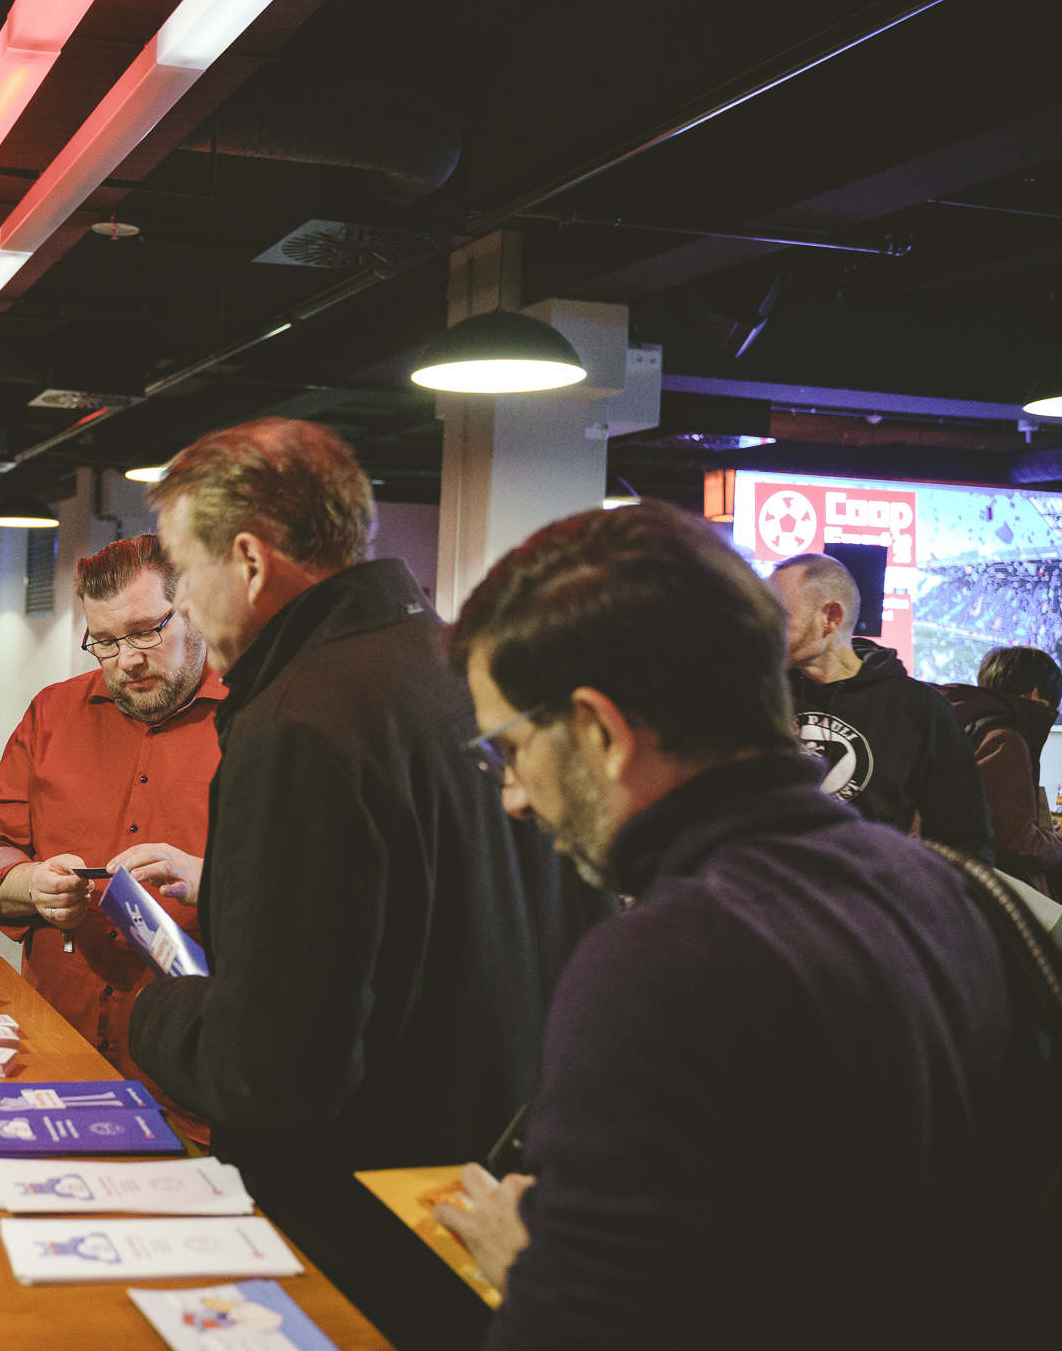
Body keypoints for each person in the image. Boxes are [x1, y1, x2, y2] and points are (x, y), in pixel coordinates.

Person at [435, 503, 1047, 1350]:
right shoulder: (953, 893)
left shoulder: (659, 963)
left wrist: (540, 1272)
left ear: (601, 731)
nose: (510, 792)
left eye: (509, 746)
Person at [126, 420, 566, 1276]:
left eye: (182, 570)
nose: (178, 602)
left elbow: (273, 1067)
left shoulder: (298, 722)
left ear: (249, 563)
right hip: (486, 1196)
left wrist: (154, 1014)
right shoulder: (462, 667)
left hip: (357, 1233)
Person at [0, 534, 221, 1139]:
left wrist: (213, 883)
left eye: (148, 631)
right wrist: (30, 885)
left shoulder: (254, 720)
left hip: (194, 1080)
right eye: (104, 641)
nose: (128, 659)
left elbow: (314, 903)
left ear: (195, 609)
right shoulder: (52, 714)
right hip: (53, 1058)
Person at [769, 552, 994, 862]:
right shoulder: (761, 696)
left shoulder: (921, 709)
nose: (764, 625)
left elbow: (966, 842)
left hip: (866, 904)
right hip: (765, 900)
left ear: (831, 617)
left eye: (778, 613)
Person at [939, 645, 1062, 895]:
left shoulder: (965, 723)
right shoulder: (1004, 739)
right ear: (1035, 694)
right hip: (994, 892)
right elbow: (1016, 842)